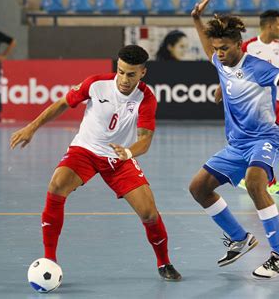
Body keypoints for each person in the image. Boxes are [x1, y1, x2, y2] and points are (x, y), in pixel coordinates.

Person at [10, 45, 182, 282]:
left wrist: (128, 152)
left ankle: (164, 262)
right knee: (57, 185)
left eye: (131, 74)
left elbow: (145, 140)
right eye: (121, 71)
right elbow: (62, 103)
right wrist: (32, 127)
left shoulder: (146, 99)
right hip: (85, 150)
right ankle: (49, 258)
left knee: (149, 213)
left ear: (142, 72)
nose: (123, 79)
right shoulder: (96, 83)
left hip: (119, 159)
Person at [188, 0, 279, 279]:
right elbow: (208, 44)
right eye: (217, 48)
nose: (219, 53)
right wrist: (196, 18)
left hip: (266, 139)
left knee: (256, 183)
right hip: (237, 144)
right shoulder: (220, 61)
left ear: (238, 45)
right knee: (198, 188)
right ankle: (240, 239)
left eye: (225, 48)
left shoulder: (258, 67)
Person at [215, 10, 279, 197]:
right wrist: (221, 87)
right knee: (262, 140)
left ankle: (258, 178)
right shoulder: (249, 46)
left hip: (273, 101)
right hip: (251, 101)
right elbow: (231, 69)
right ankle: (269, 182)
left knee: (269, 142)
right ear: (269, 25)